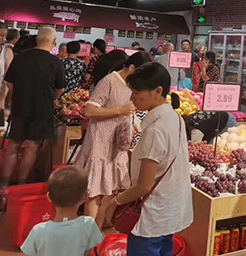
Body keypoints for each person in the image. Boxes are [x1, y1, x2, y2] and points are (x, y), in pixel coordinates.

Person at [104, 62, 193, 255]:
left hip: (152, 215)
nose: (132, 98)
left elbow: (143, 186)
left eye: (137, 92)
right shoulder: (175, 118)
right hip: (169, 212)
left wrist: (115, 202)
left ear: (158, 91)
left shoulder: (155, 129)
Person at [74, 51, 153, 228]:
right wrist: (120, 111)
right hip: (100, 142)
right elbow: (89, 111)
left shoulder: (133, 86)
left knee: (110, 191)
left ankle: (96, 232)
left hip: (118, 144)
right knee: (94, 193)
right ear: (131, 68)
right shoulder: (109, 81)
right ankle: (88, 233)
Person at [1, 27, 66, 186]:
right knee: (31, 147)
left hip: (20, 107)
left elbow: (9, 83)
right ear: (54, 42)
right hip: (42, 110)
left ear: (37, 39)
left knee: (14, 144)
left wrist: (17, 97)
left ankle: (3, 185)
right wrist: (50, 98)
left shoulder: (20, 57)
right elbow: (60, 89)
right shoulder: (56, 62)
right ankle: (21, 185)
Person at [21, 166, 103, 256]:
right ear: (85, 196)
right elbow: (93, 252)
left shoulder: (38, 230)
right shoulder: (88, 225)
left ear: (49, 197)